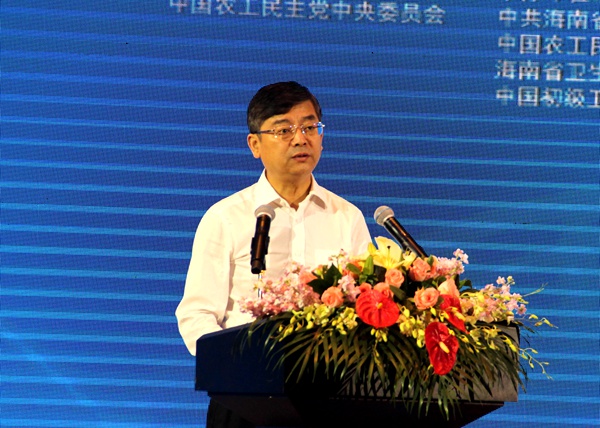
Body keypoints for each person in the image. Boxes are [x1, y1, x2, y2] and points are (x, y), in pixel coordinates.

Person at [175, 81, 372, 427]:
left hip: (329, 399)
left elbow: (366, 306)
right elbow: (197, 314)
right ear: (255, 144)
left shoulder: (346, 217)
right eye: (284, 130)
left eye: (310, 127)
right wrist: (235, 367)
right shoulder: (226, 217)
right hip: (243, 399)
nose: (301, 139)